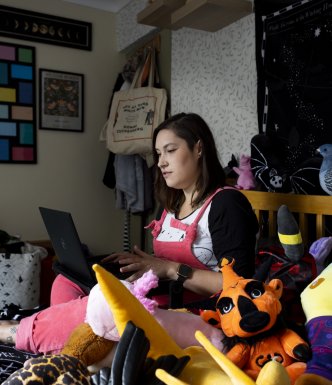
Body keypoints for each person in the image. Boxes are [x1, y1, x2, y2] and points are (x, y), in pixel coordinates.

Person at [0, 112, 258, 355]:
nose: (161, 162)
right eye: (158, 153)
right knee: (66, 280)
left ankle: (18, 332)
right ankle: (74, 345)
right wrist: (138, 264)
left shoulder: (227, 204)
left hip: (200, 316)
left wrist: (169, 269)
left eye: (170, 150)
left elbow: (238, 285)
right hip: (159, 298)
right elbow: (159, 268)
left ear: (198, 148)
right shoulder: (170, 205)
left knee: (104, 303)